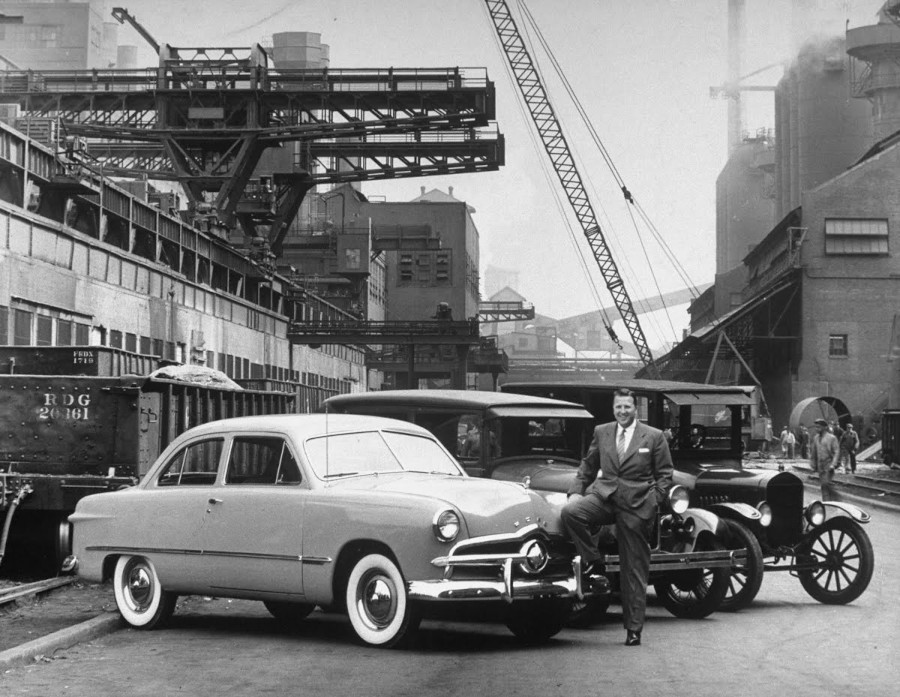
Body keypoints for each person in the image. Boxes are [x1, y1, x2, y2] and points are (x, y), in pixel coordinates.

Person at [561, 387, 673, 647]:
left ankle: (633, 629)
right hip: (606, 497)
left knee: (633, 570)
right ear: (614, 408)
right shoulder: (602, 432)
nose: (623, 411)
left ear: (636, 409)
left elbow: (665, 475)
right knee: (571, 513)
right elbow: (588, 466)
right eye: (618, 407)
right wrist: (575, 492)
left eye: (627, 407)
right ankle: (594, 561)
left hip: (637, 506)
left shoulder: (653, 436)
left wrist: (653, 502)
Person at [809, 418, 840, 501]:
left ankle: (835, 498)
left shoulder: (832, 438)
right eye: (816, 427)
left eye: (818, 427)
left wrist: (833, 464)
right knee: (823, 485)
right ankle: (827, 502)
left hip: (828, 464)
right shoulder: (816, 438)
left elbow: (836, 452)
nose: (816, 429)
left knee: (826, 483)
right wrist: (813, 464)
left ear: (824, 427)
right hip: (820, 465)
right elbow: (813, 452)